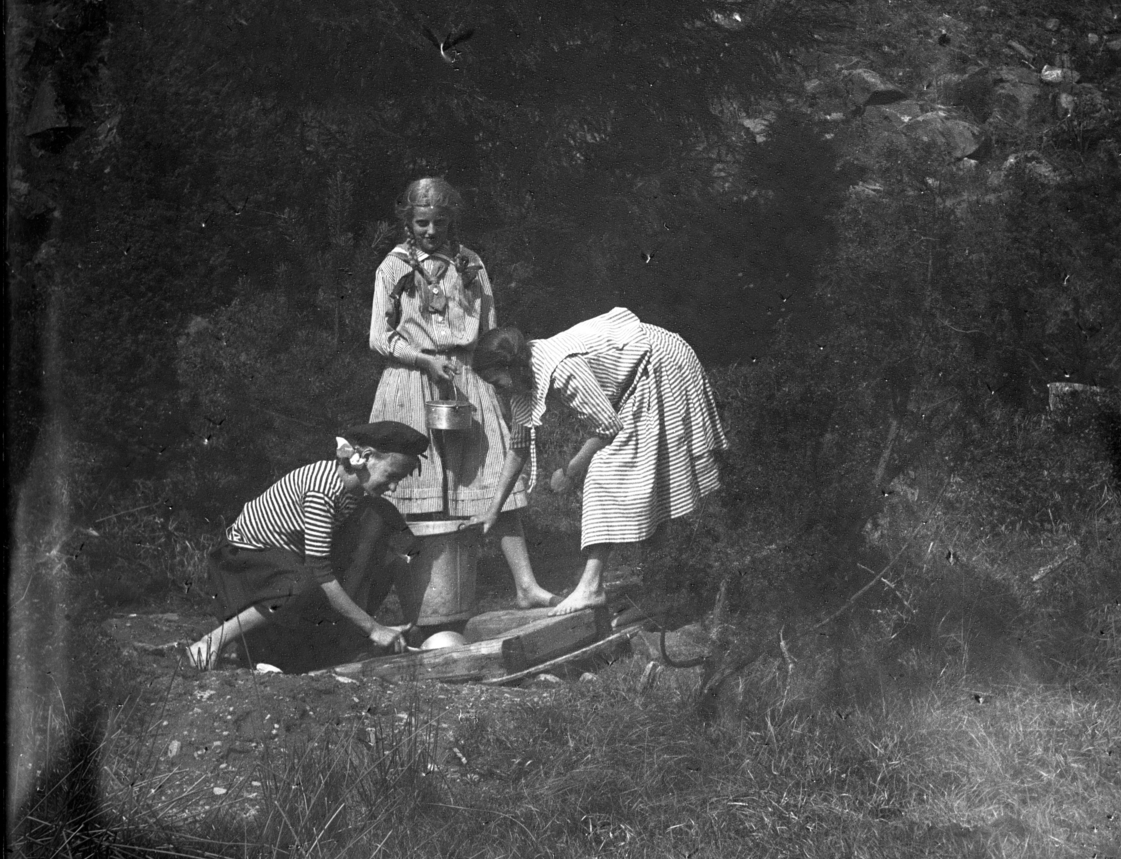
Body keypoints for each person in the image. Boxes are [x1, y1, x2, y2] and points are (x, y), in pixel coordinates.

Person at [368, 176, 558, 608]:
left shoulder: (470, 263)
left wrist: (494, 382)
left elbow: (490, 329)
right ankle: (408, 600)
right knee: (404, 488)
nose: (431, 231)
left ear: (451, 220)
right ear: (408, 222)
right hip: (410, 381)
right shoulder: (392, 267)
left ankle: (526, 586)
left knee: (494, 477)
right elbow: (379, 336)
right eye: (422, 223)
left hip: (467, 377)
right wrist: (423, 360)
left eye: (439, 222)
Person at [472, 306, 728, 616]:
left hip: (660, 361)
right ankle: (656, 593)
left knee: (603, 474)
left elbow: (607, 428)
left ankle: (591, 587)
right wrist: (493, 510)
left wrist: (571, 471)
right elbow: (518, 448)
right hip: (635, 375)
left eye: (496, 381)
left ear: (510, 366)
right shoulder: (521, 380)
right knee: (645, 482)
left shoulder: (562, 368)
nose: (496, 390)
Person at [186, 421, 428, 672]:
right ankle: (216, 639)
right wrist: (374, 628)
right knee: (306, 582)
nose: (393, 487)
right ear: (366, 457)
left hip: (287, 566)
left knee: (381, 516)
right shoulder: (321, 492)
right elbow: (319, 573)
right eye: (391, 476)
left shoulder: (353, 489)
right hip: (246, 568)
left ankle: (345, 637)